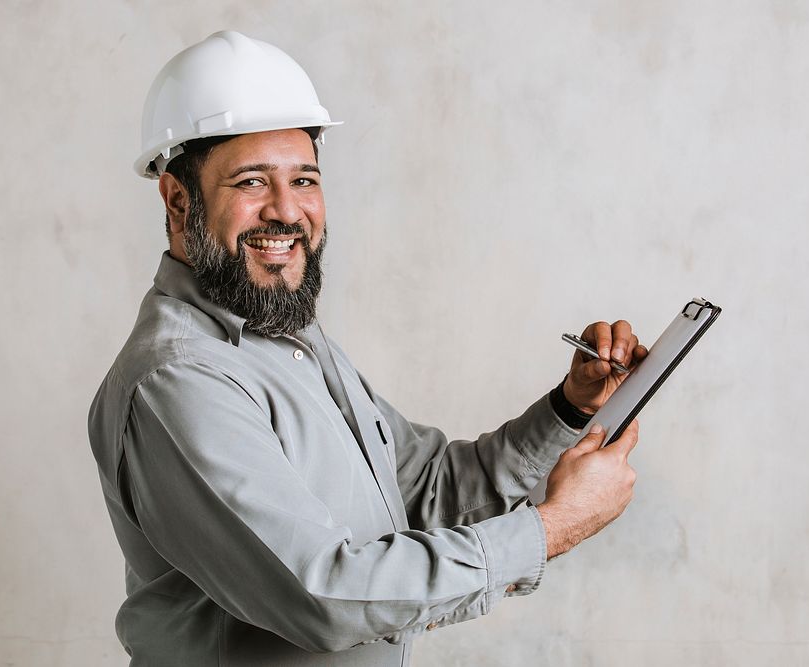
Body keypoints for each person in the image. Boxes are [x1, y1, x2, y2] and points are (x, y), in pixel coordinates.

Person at [88, 31, 648, 666]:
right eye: (251, 181)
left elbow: (425, 492)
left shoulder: (288, 342)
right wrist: (553, 528)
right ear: (178, 198)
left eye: (304, 179)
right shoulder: (181, 379)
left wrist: (570, 409)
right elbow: (321, 594)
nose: (286, 211)